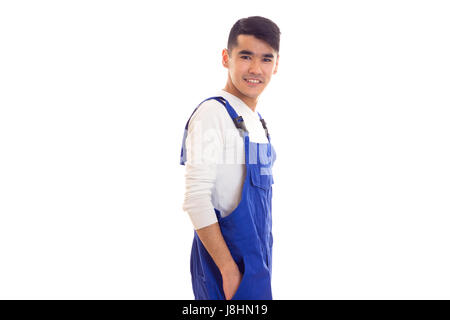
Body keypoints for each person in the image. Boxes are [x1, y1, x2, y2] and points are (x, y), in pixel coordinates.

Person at [179, 16, 280, 300]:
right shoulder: (213, 114)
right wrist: (228, 270)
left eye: (266, 59)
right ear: (226, 58)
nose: (255, 69)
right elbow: (196, 199)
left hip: (256, 262)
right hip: (226, 270)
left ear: (276, 64)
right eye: (245, 56)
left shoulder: (257, 121)